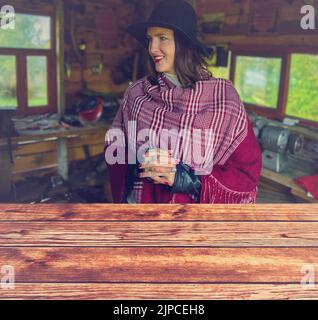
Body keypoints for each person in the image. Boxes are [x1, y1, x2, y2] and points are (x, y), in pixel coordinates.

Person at [104, 0, 262, 204]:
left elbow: (246, 173)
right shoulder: (136, 93)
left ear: (184, 43)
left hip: (192, 223)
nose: (153, 48)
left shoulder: (223, 98)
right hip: (139, 210)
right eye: (150, 39)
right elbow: (114, 147)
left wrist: (183, 178)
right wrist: (139, 162)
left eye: (162, 38)